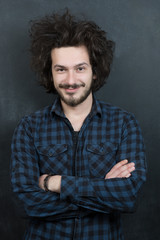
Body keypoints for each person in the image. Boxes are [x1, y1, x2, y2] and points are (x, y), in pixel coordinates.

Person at [11, 9, 147, 240]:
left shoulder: (124, 123)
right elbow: (29, 205)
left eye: (80, 68)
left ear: (95, 71)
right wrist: (103, 192)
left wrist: (55, 183)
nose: (71, 80)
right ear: (50, 73)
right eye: (61, 69)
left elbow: (127, 198)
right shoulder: (29, 127)